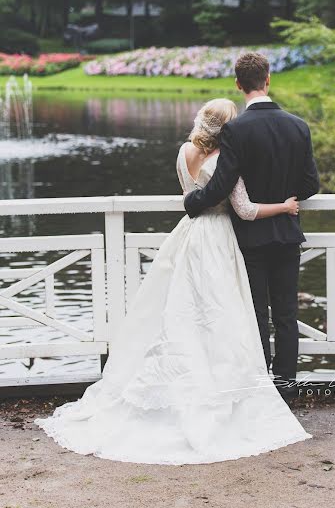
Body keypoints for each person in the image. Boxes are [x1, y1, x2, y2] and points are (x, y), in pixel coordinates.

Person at [35, 97, 312, 465]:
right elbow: (243, 209)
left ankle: (178, 380)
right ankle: (241, 388)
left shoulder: (184, 152)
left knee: (180, 312)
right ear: (227, 130)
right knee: (225, 314)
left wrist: (196, 200)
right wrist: (285, 207)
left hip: (187, 237)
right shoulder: (227, 160)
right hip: (219, 240)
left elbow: (190, 197)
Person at [184, 52, 320, 393]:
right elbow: (311, 185)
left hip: (250, 237)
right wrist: (285, 198)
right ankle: (287, 389)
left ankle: (263, 391)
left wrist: (193, 202)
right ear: (268, 79)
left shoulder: (236, 129)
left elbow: (222, 183)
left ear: (238, 84)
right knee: (287, 317)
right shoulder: (298, 125)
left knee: (257, 316)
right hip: (288, 235)